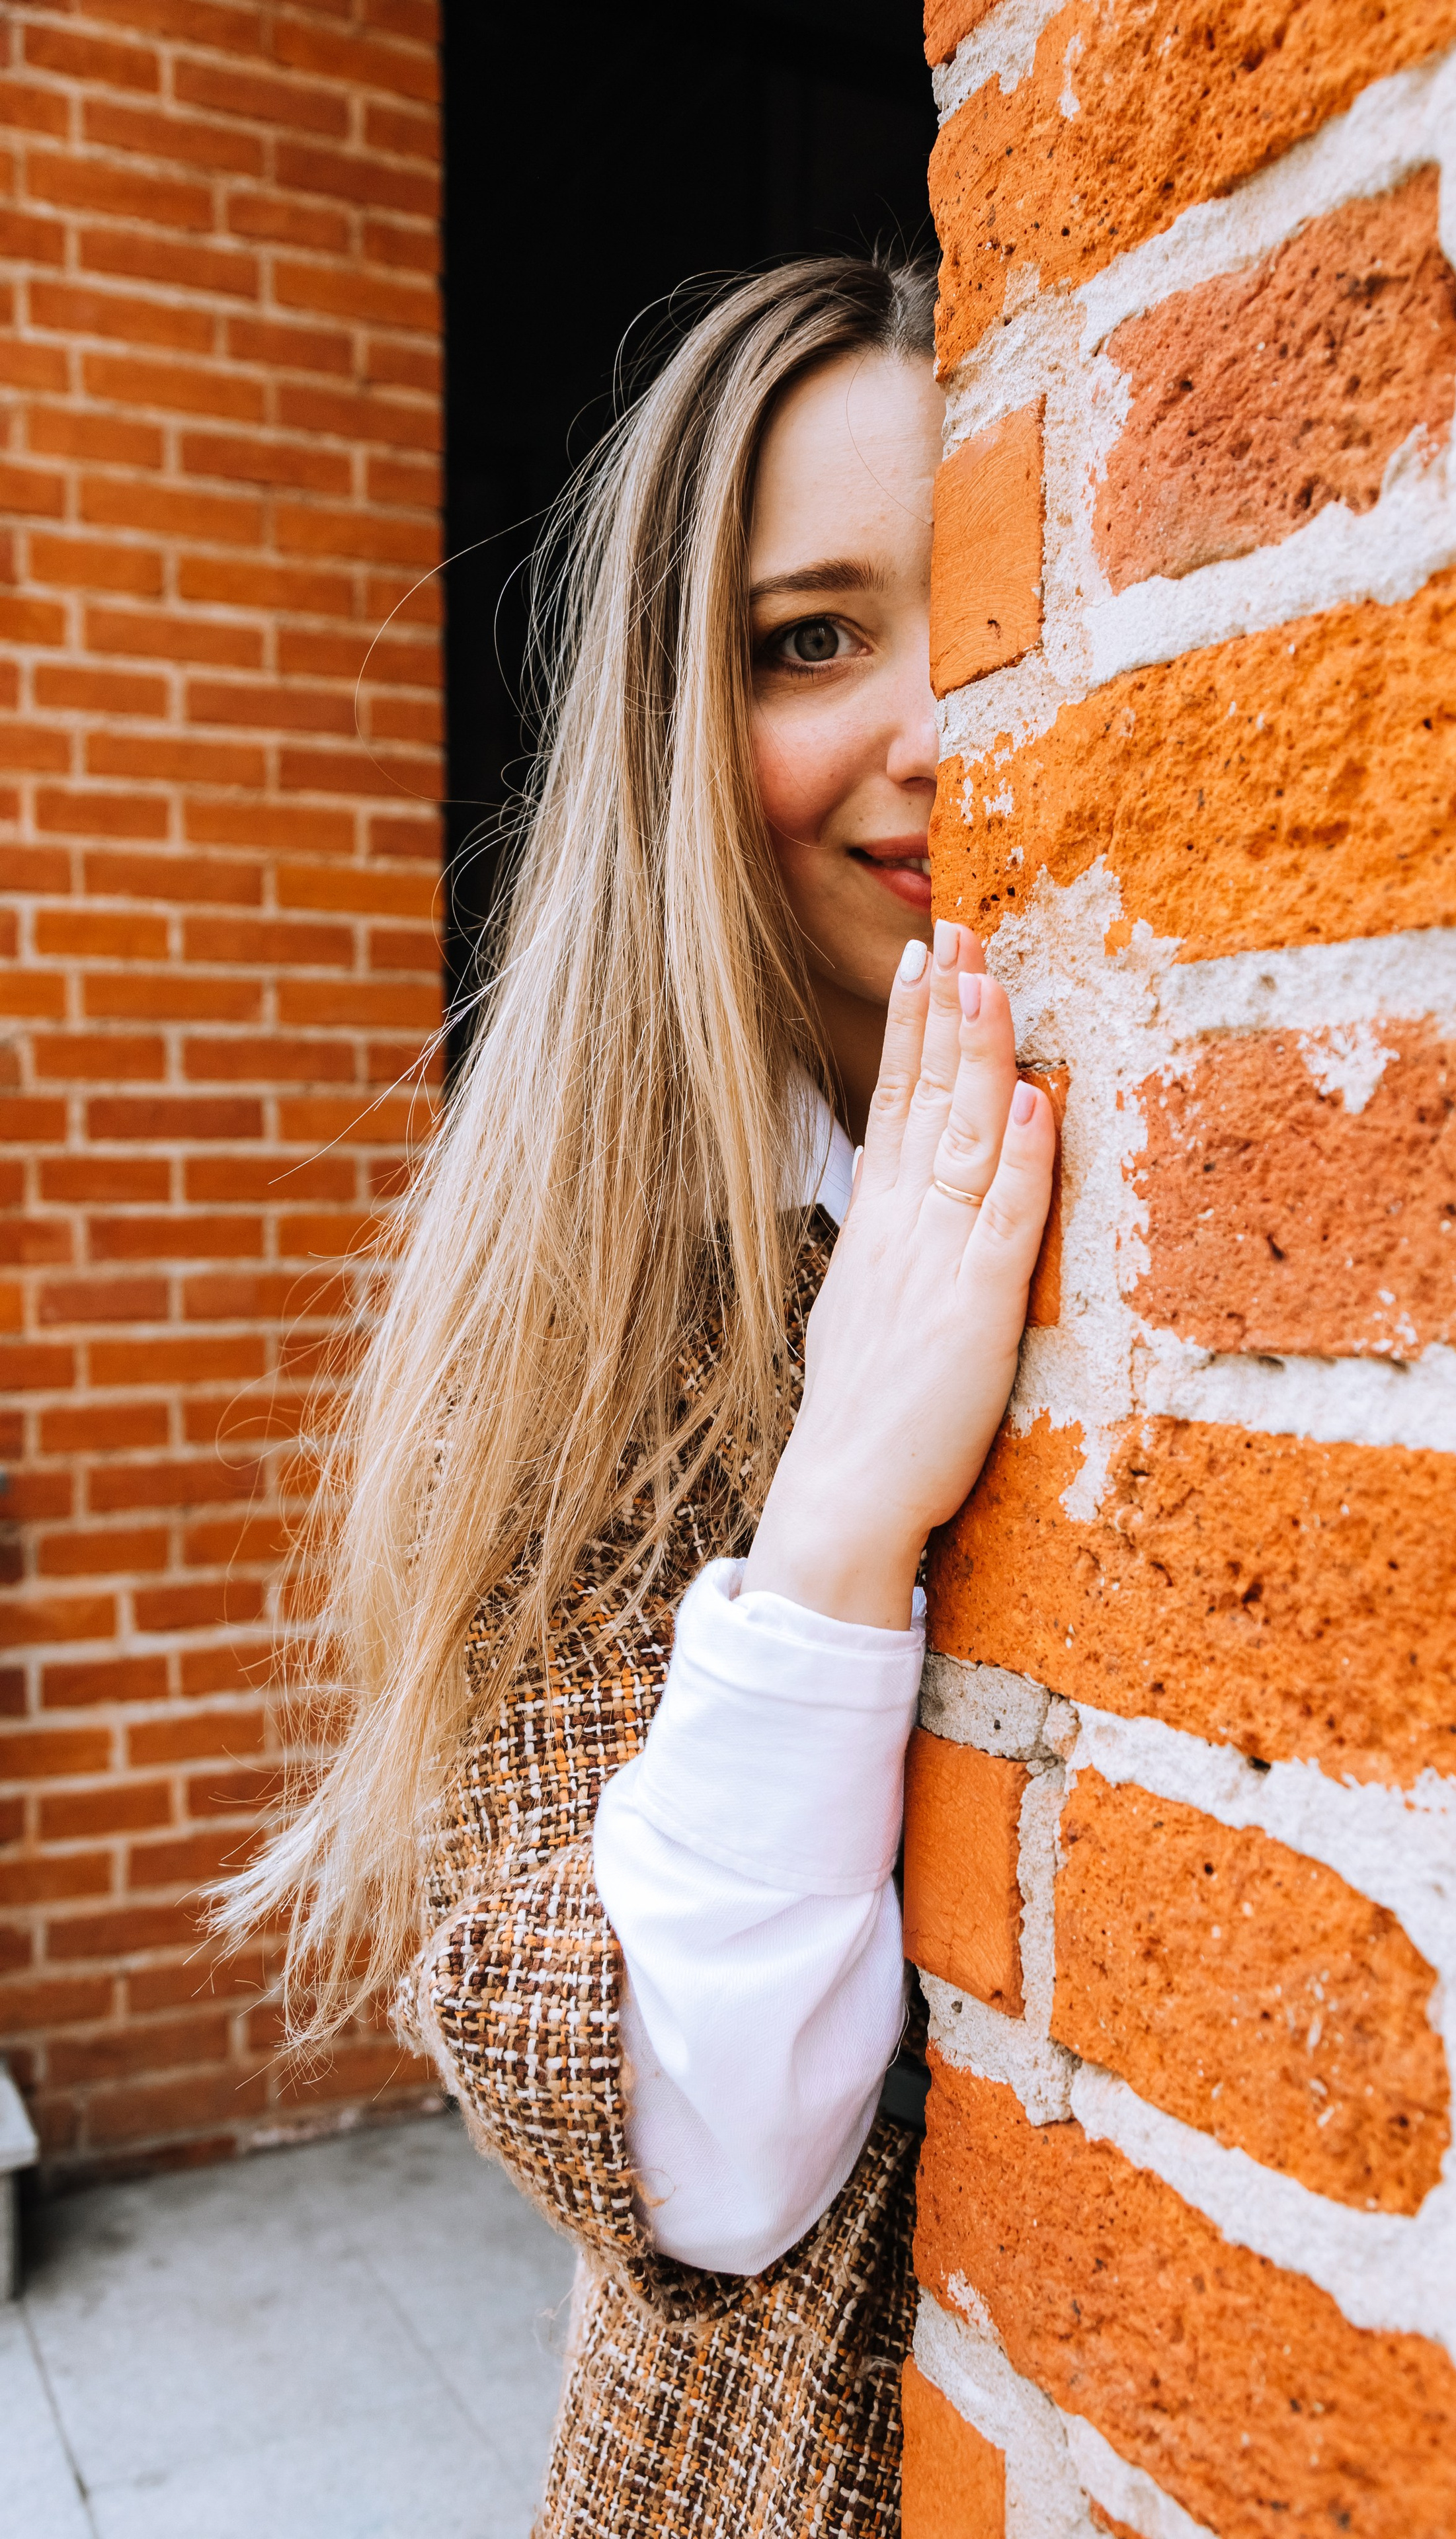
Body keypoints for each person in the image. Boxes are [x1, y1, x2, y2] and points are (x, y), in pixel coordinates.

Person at [220, 255, 1056, 2536]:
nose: (933, 727)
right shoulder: (595, 1279)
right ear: (681, 718)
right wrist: (836, 1525)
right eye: (812, 637)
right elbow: (682, 2156)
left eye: (984, 599)